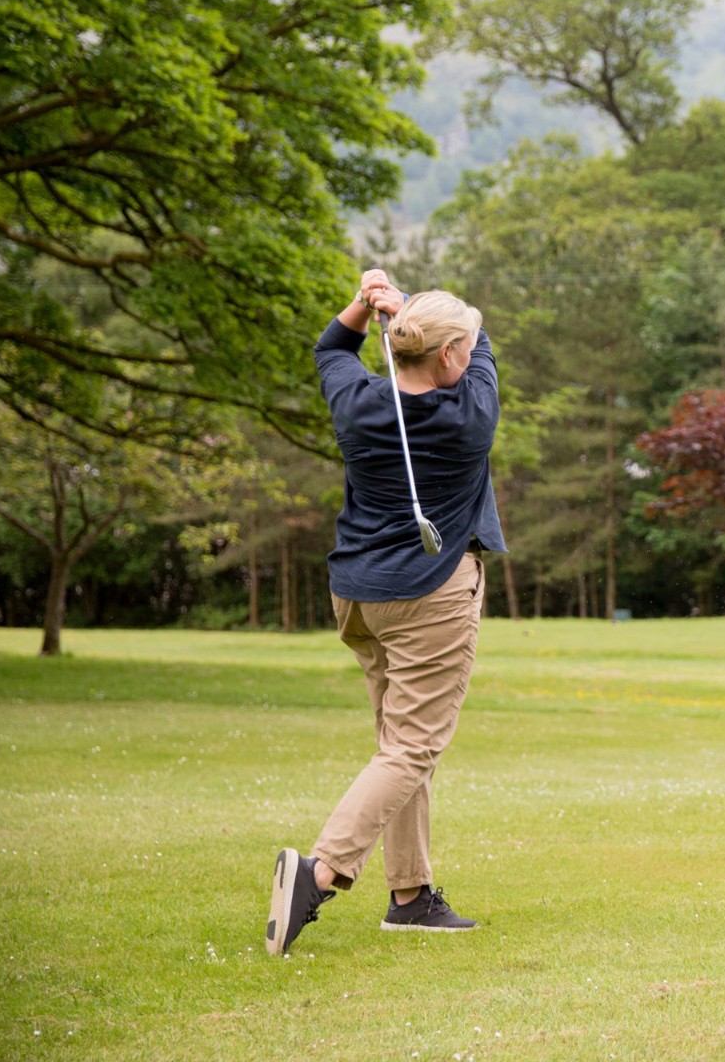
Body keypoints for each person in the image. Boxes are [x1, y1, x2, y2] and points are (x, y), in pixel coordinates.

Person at [267, 269, 506, 955]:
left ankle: (411, 897)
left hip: (359, 596)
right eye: (458, 348)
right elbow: (479, 337)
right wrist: (406, 310)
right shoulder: (471, 417)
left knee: (398, 749)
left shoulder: (358, 403)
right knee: (411, 748)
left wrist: (363, 303)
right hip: (430, 594)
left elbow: (330, 352)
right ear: (450, 358)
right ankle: (321, 872)